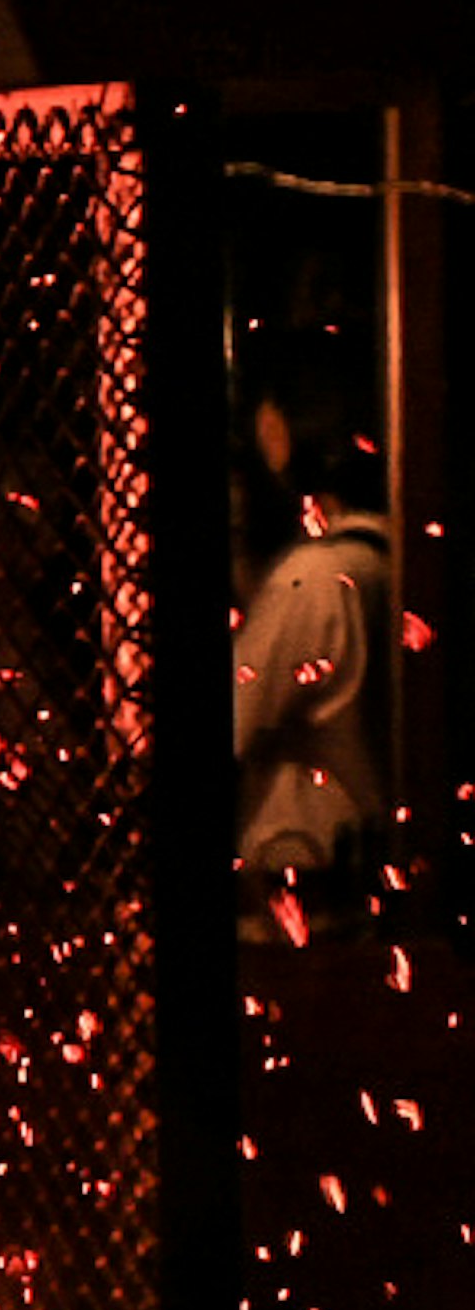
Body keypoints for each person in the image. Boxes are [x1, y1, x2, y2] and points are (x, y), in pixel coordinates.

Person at [236, 365, 396, 936]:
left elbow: (237, 716)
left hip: (306, 868)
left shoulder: (314, 579)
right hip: (362, 853)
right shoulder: (385, 561)